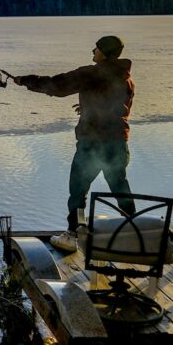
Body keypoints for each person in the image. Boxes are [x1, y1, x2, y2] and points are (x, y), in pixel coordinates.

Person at [13, 35, 135, 252]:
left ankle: (73, 234)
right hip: (117, 143)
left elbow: (56, 86)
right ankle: (136, 231)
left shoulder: (92, 73)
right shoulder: (126, 78)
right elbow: (118, 106)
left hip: (93, 145)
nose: (92, 51)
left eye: (96, 48)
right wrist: (88, 107)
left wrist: (25, 80)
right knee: (120, 187)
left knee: (78, 190)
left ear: (105, 54)